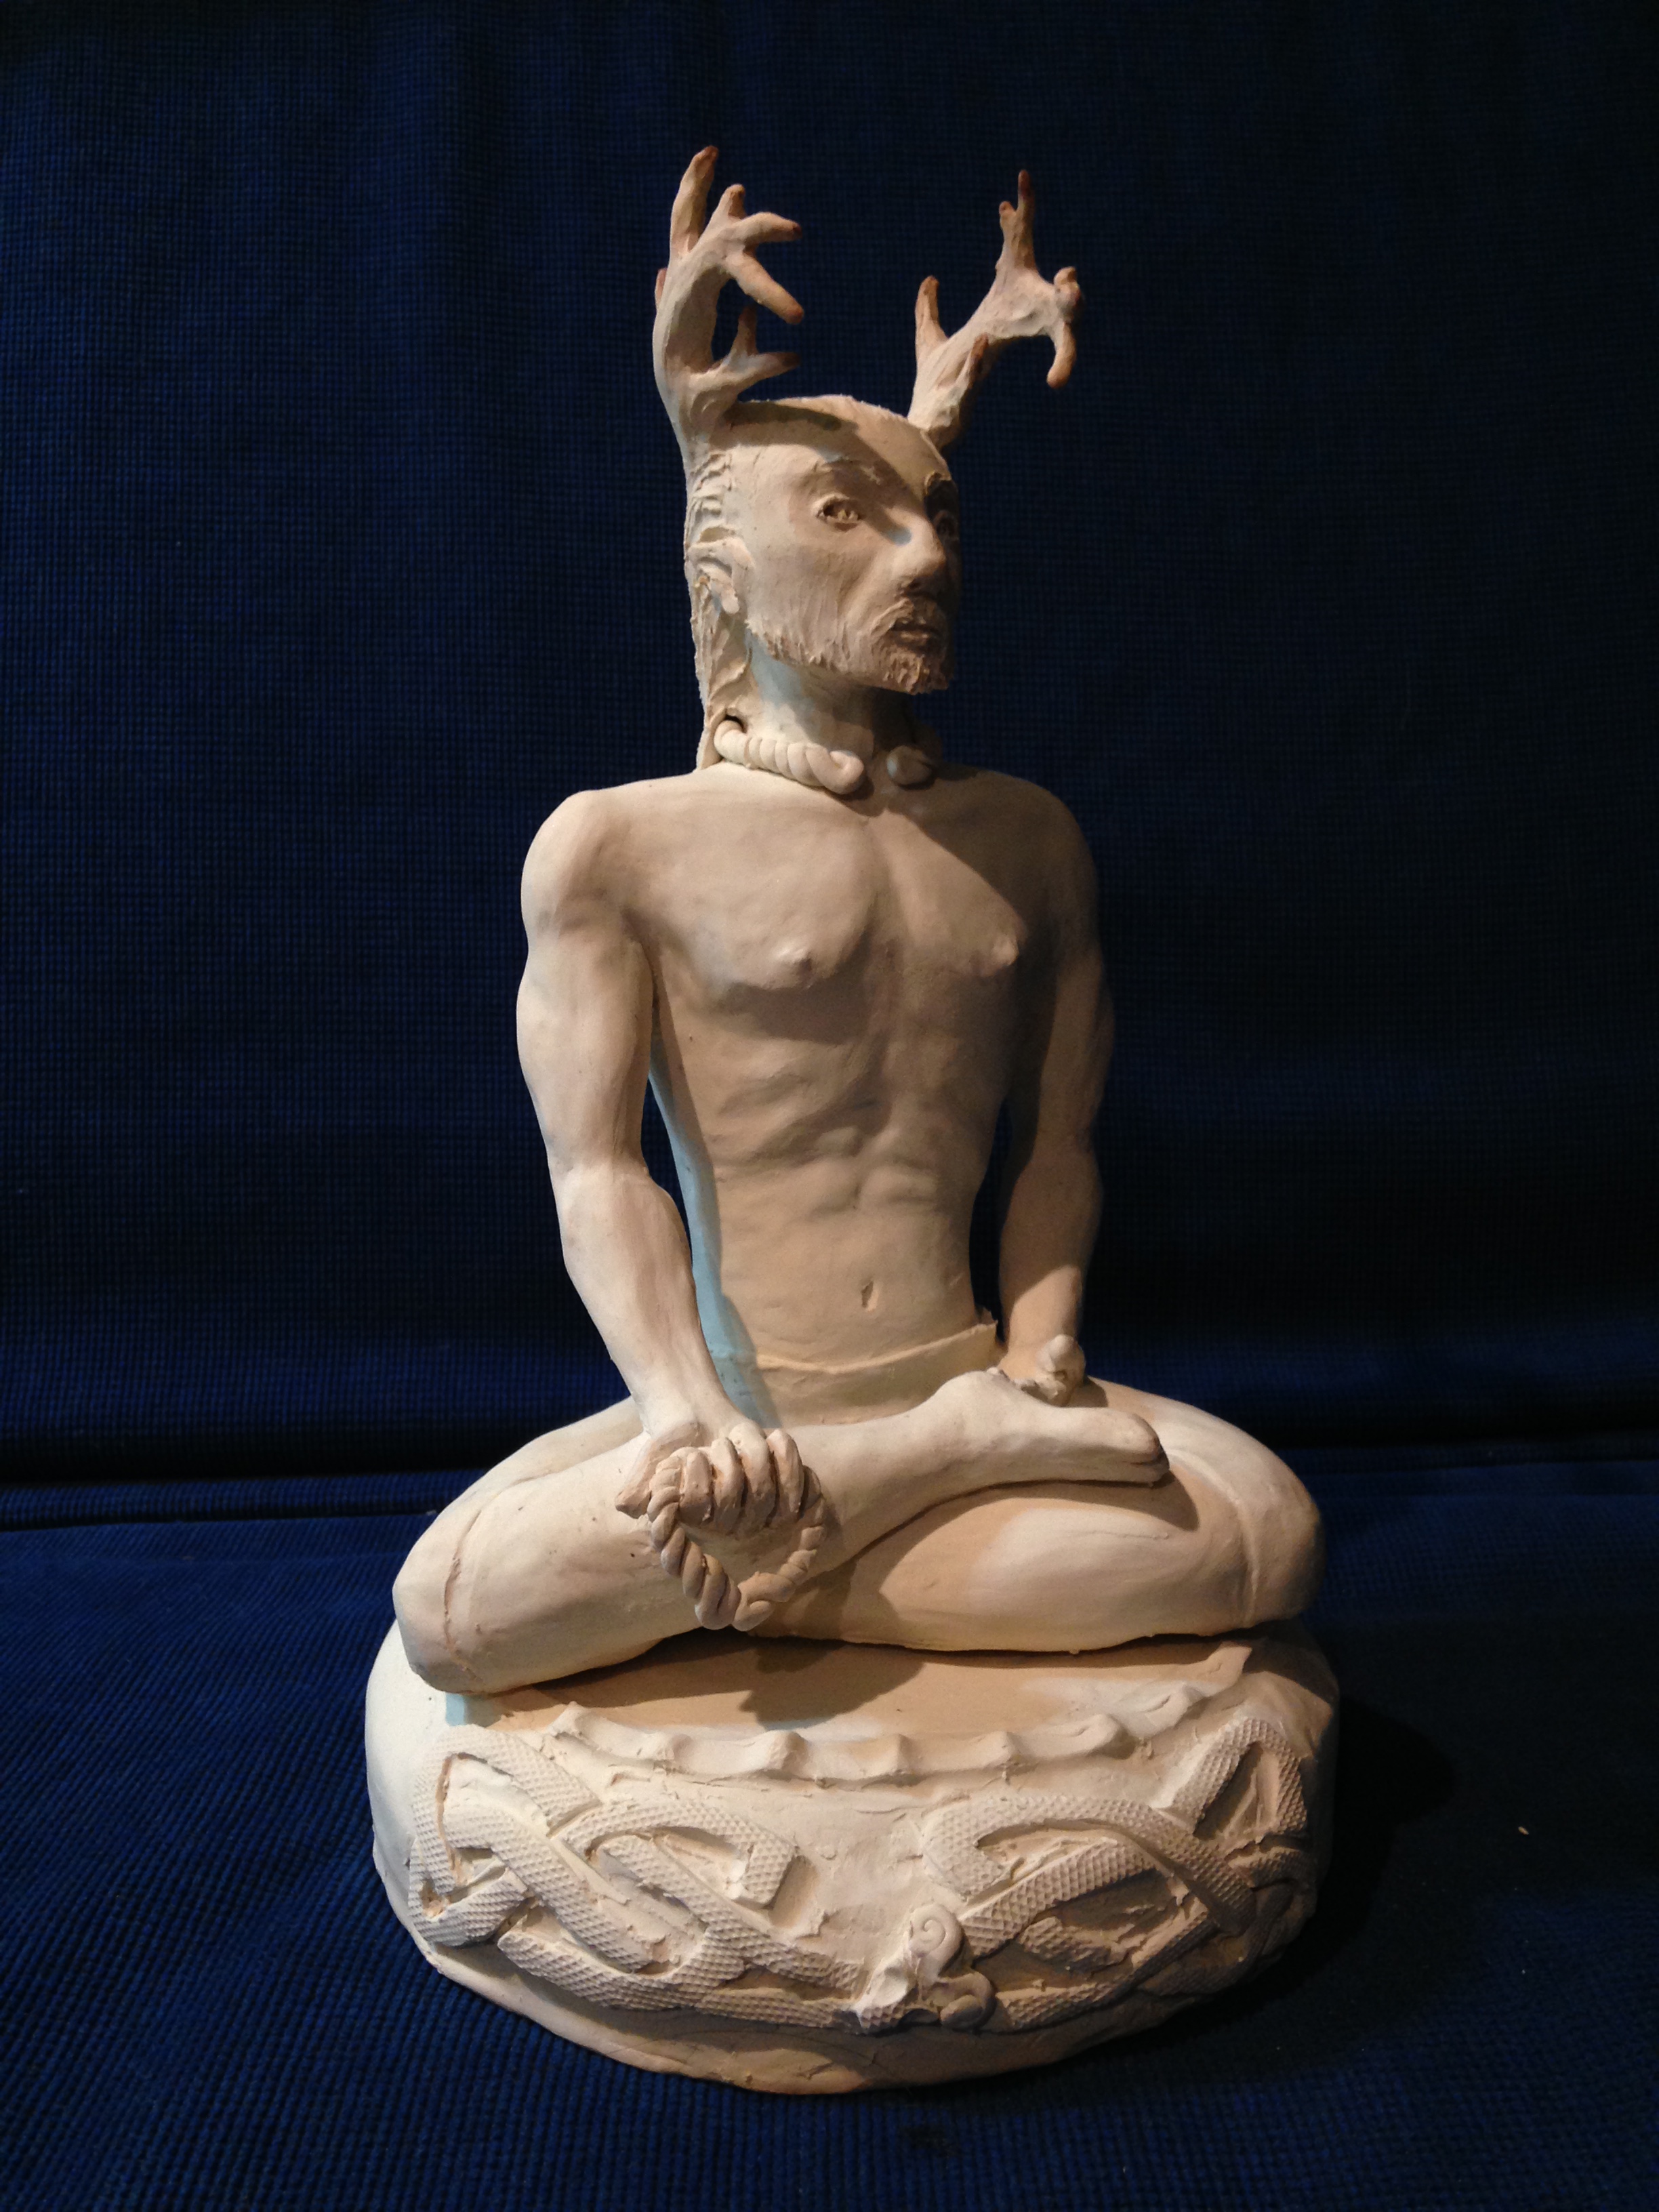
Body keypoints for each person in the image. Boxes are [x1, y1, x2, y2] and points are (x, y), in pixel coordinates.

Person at [394, 154, 1320, 1697]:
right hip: (738, 1419)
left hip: (981, 1376)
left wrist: (1041, 1349)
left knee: (1266, 1536)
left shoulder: (1026, 840)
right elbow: (594, 1168)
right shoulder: (617, 847)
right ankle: (914, 1486)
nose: (927, 557)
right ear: (724, 564)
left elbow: (1060, 1147)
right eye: (849, 515)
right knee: (451, 1614)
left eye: (936, 517)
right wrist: (689, 1418)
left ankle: (790, 1564)